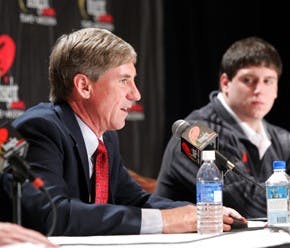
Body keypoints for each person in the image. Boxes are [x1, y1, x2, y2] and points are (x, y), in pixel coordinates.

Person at [10, 27, 244, 236]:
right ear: (84, 86)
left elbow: (135, 200)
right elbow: (52, 214)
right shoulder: (41, 129)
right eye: (124, 81)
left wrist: (200, 212)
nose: (136, 94)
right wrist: (164, 221)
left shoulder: (106, 137)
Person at [155, 36, 290, 218]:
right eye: (248, 80)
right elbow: (247, 203)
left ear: (276, 89)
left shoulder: (280, 138)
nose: (259, 90)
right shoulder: (198, 133)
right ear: (225, 83)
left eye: (268, 81)